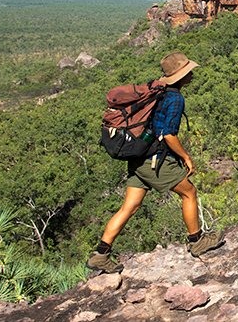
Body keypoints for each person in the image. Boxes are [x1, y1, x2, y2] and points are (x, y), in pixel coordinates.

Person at [87, 52, 224, 273]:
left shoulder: (156, 92)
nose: (192, 75)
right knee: (189, 192)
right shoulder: (174, 98)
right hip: (154, 160)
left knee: (129, 207)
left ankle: (100, 254)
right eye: (189, 71)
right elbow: (168, 134)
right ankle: (197, 241)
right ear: (181, 75)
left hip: (138, 156)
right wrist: (186, 157)